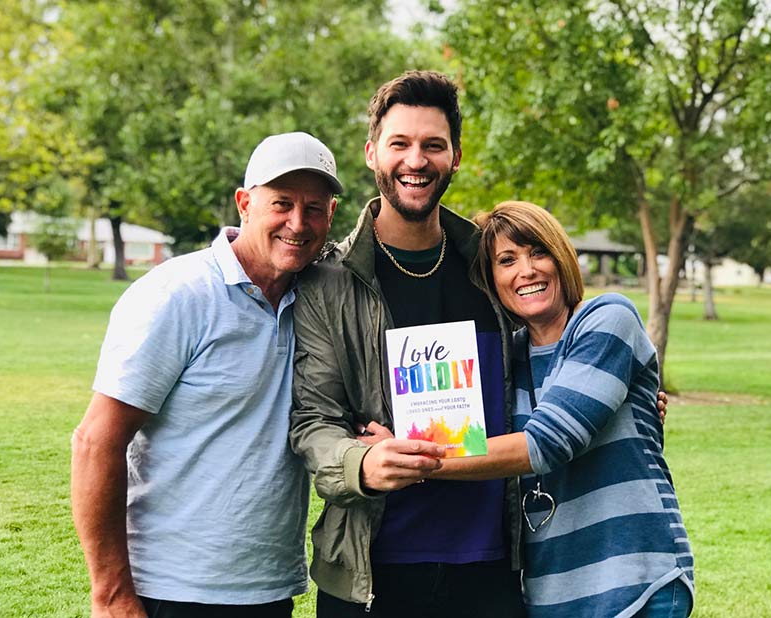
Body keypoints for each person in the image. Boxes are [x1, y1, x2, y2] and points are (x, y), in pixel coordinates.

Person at [71, 132, 342, 618]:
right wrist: (111, 596)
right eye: (281, 203)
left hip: (267, 589)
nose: (298, 223)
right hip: (170, 590)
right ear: (245, 204)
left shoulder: (318, 301)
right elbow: (96, 441)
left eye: (314, 209)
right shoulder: (177, 294)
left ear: (331, 214)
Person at [289, 71, 526, 617]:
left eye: (433, 145)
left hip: (493, 570)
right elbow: (313, 420)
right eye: (400, 143)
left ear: (456, 157)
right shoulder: (328, 283)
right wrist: (360, 464)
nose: (415, 160)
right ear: (372, 152)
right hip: (372, 572)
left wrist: (628, 391)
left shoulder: (492, 266)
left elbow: (549, 351)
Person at [430, 200, 695, 617]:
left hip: (636, 582)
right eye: (507, 260)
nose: (527, 271)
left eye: (539, 252)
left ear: (562, 258)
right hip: (549, 592)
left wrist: (414, 460)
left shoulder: (608, 319)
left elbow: (548, 442)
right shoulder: (504, 360)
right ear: (491, 278)